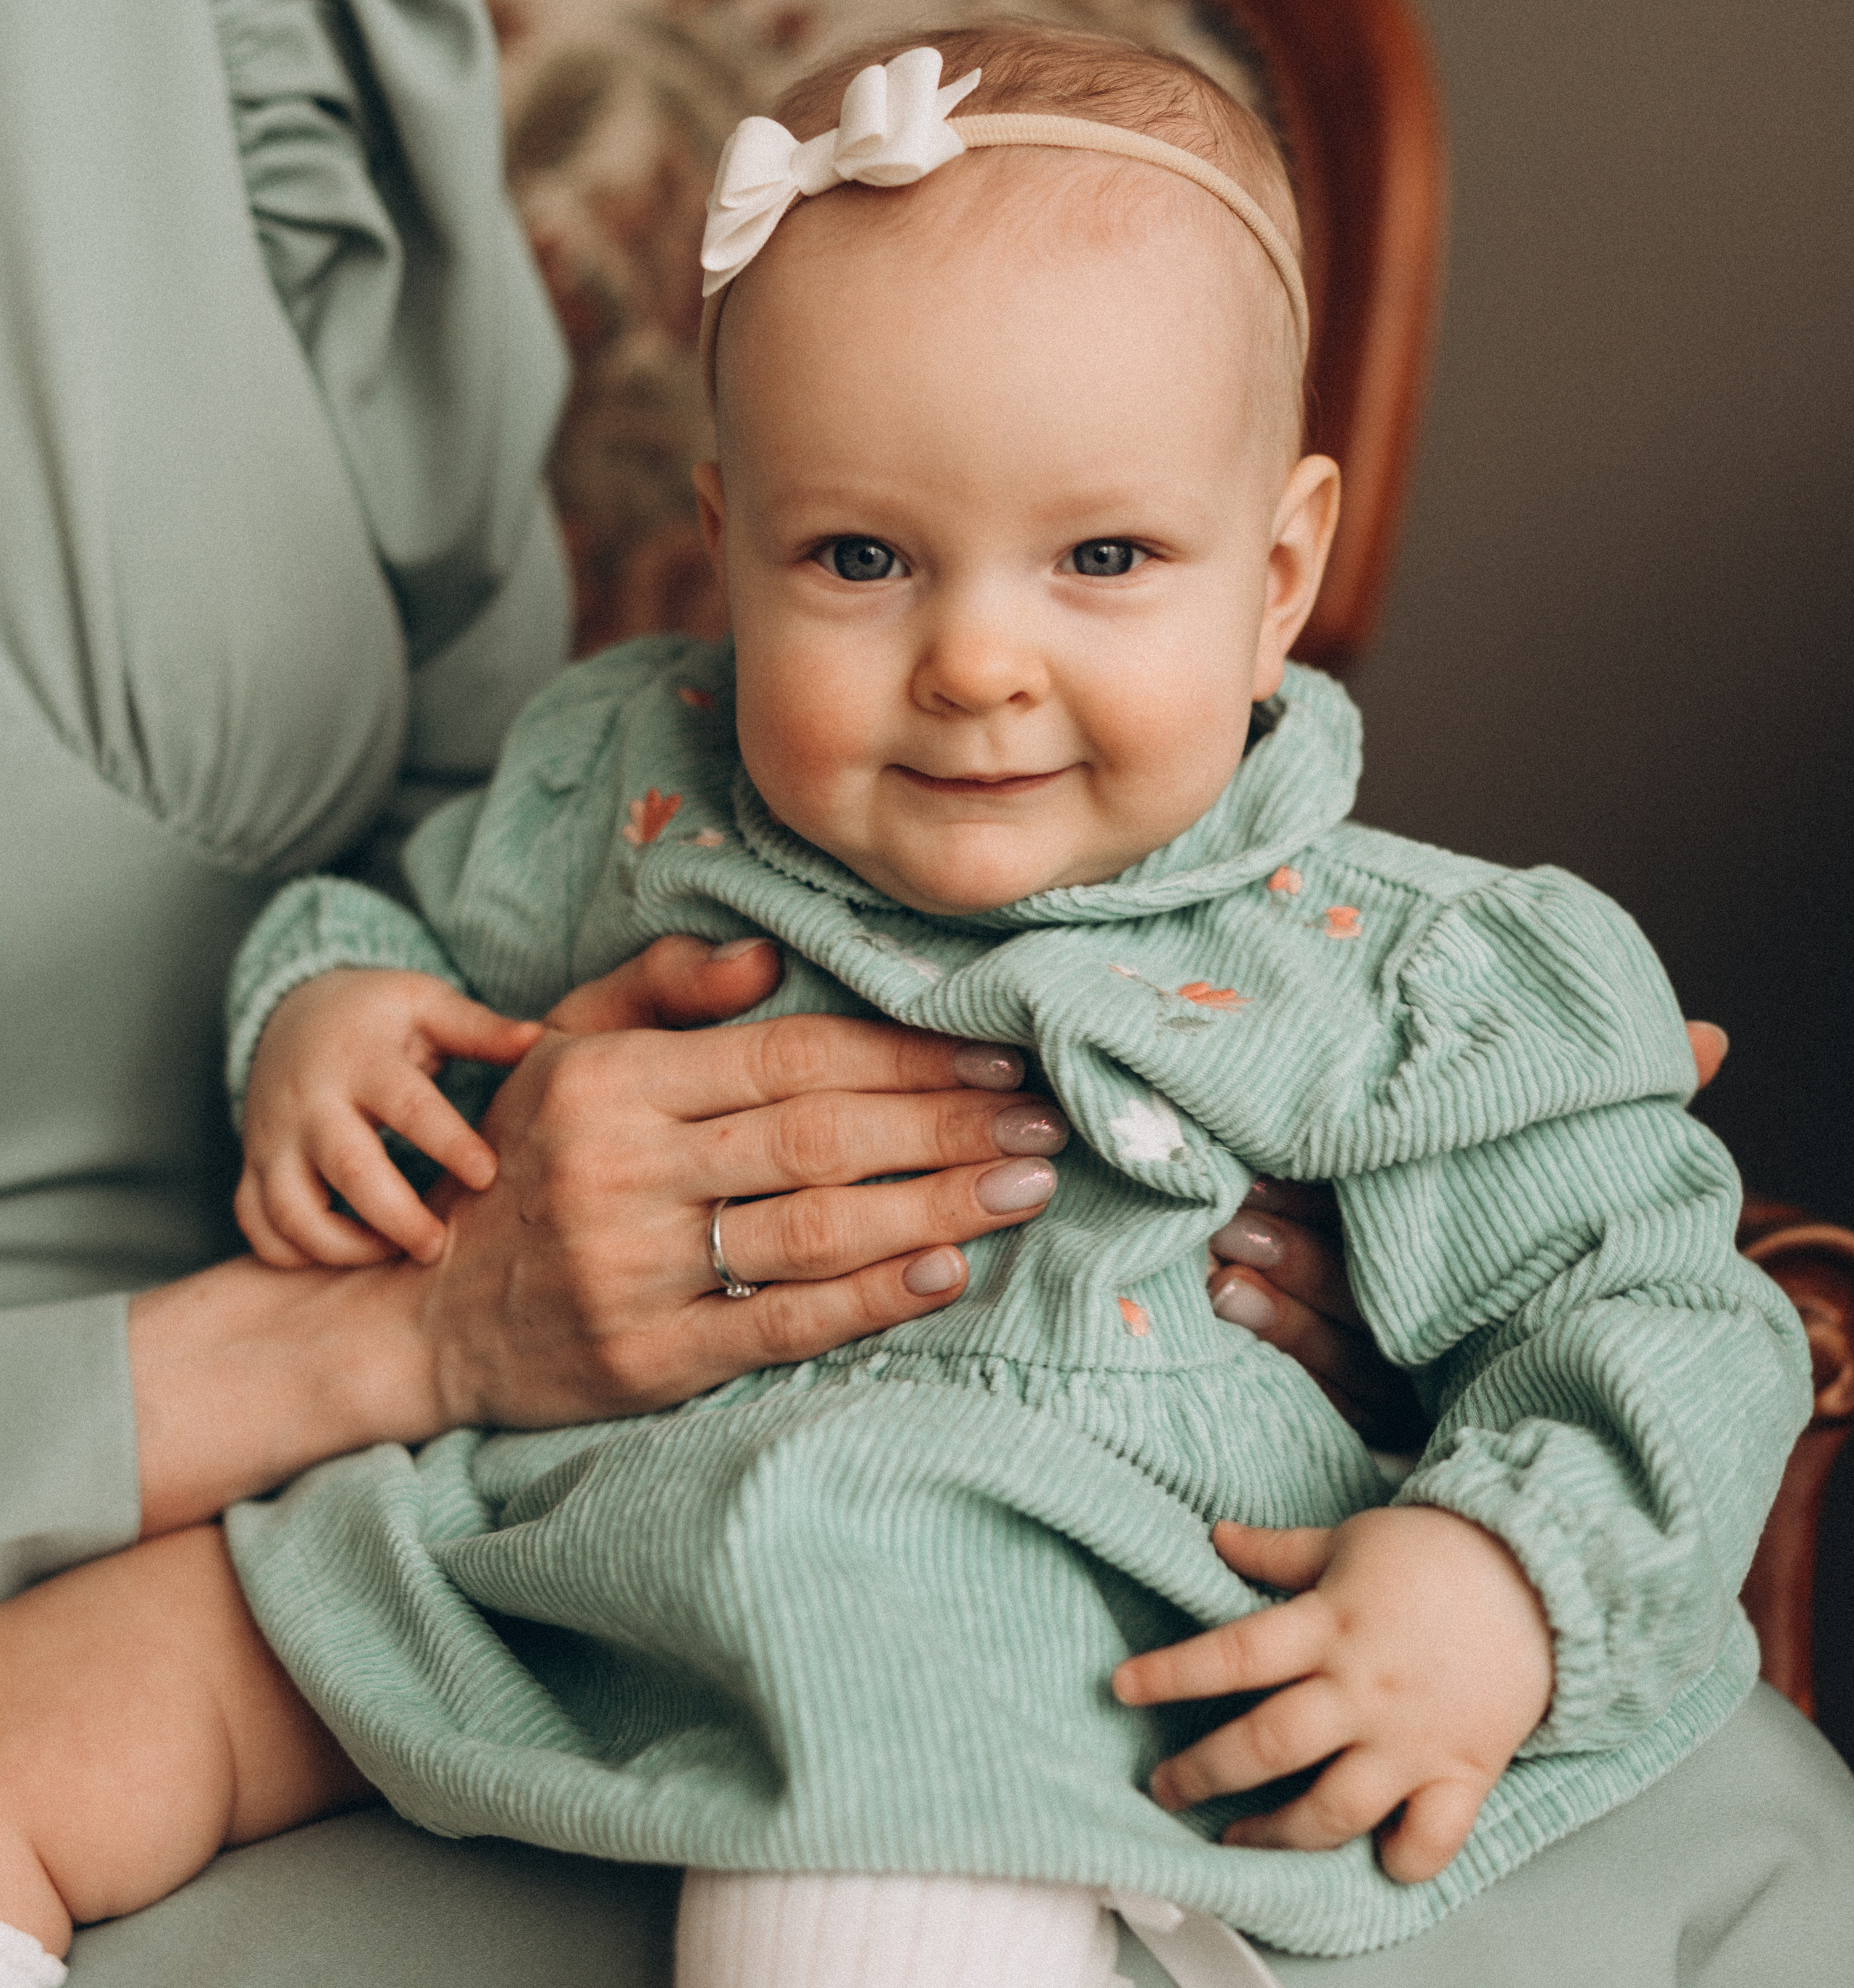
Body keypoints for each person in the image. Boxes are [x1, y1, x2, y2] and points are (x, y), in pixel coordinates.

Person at [5, 22, 1851, 1988]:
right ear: (729, 551)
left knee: (858, 1902)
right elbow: (397, 913)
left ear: (1279, 572)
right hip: (563, 1532)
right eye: (864, 555)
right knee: (58, 1705)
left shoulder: (1395, 965)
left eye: (1106, 556)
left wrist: (1496, 1576)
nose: (977, 656)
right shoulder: (628, 781)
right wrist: (334, 1014)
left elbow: (1657, 1306)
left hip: (1019, 1605)